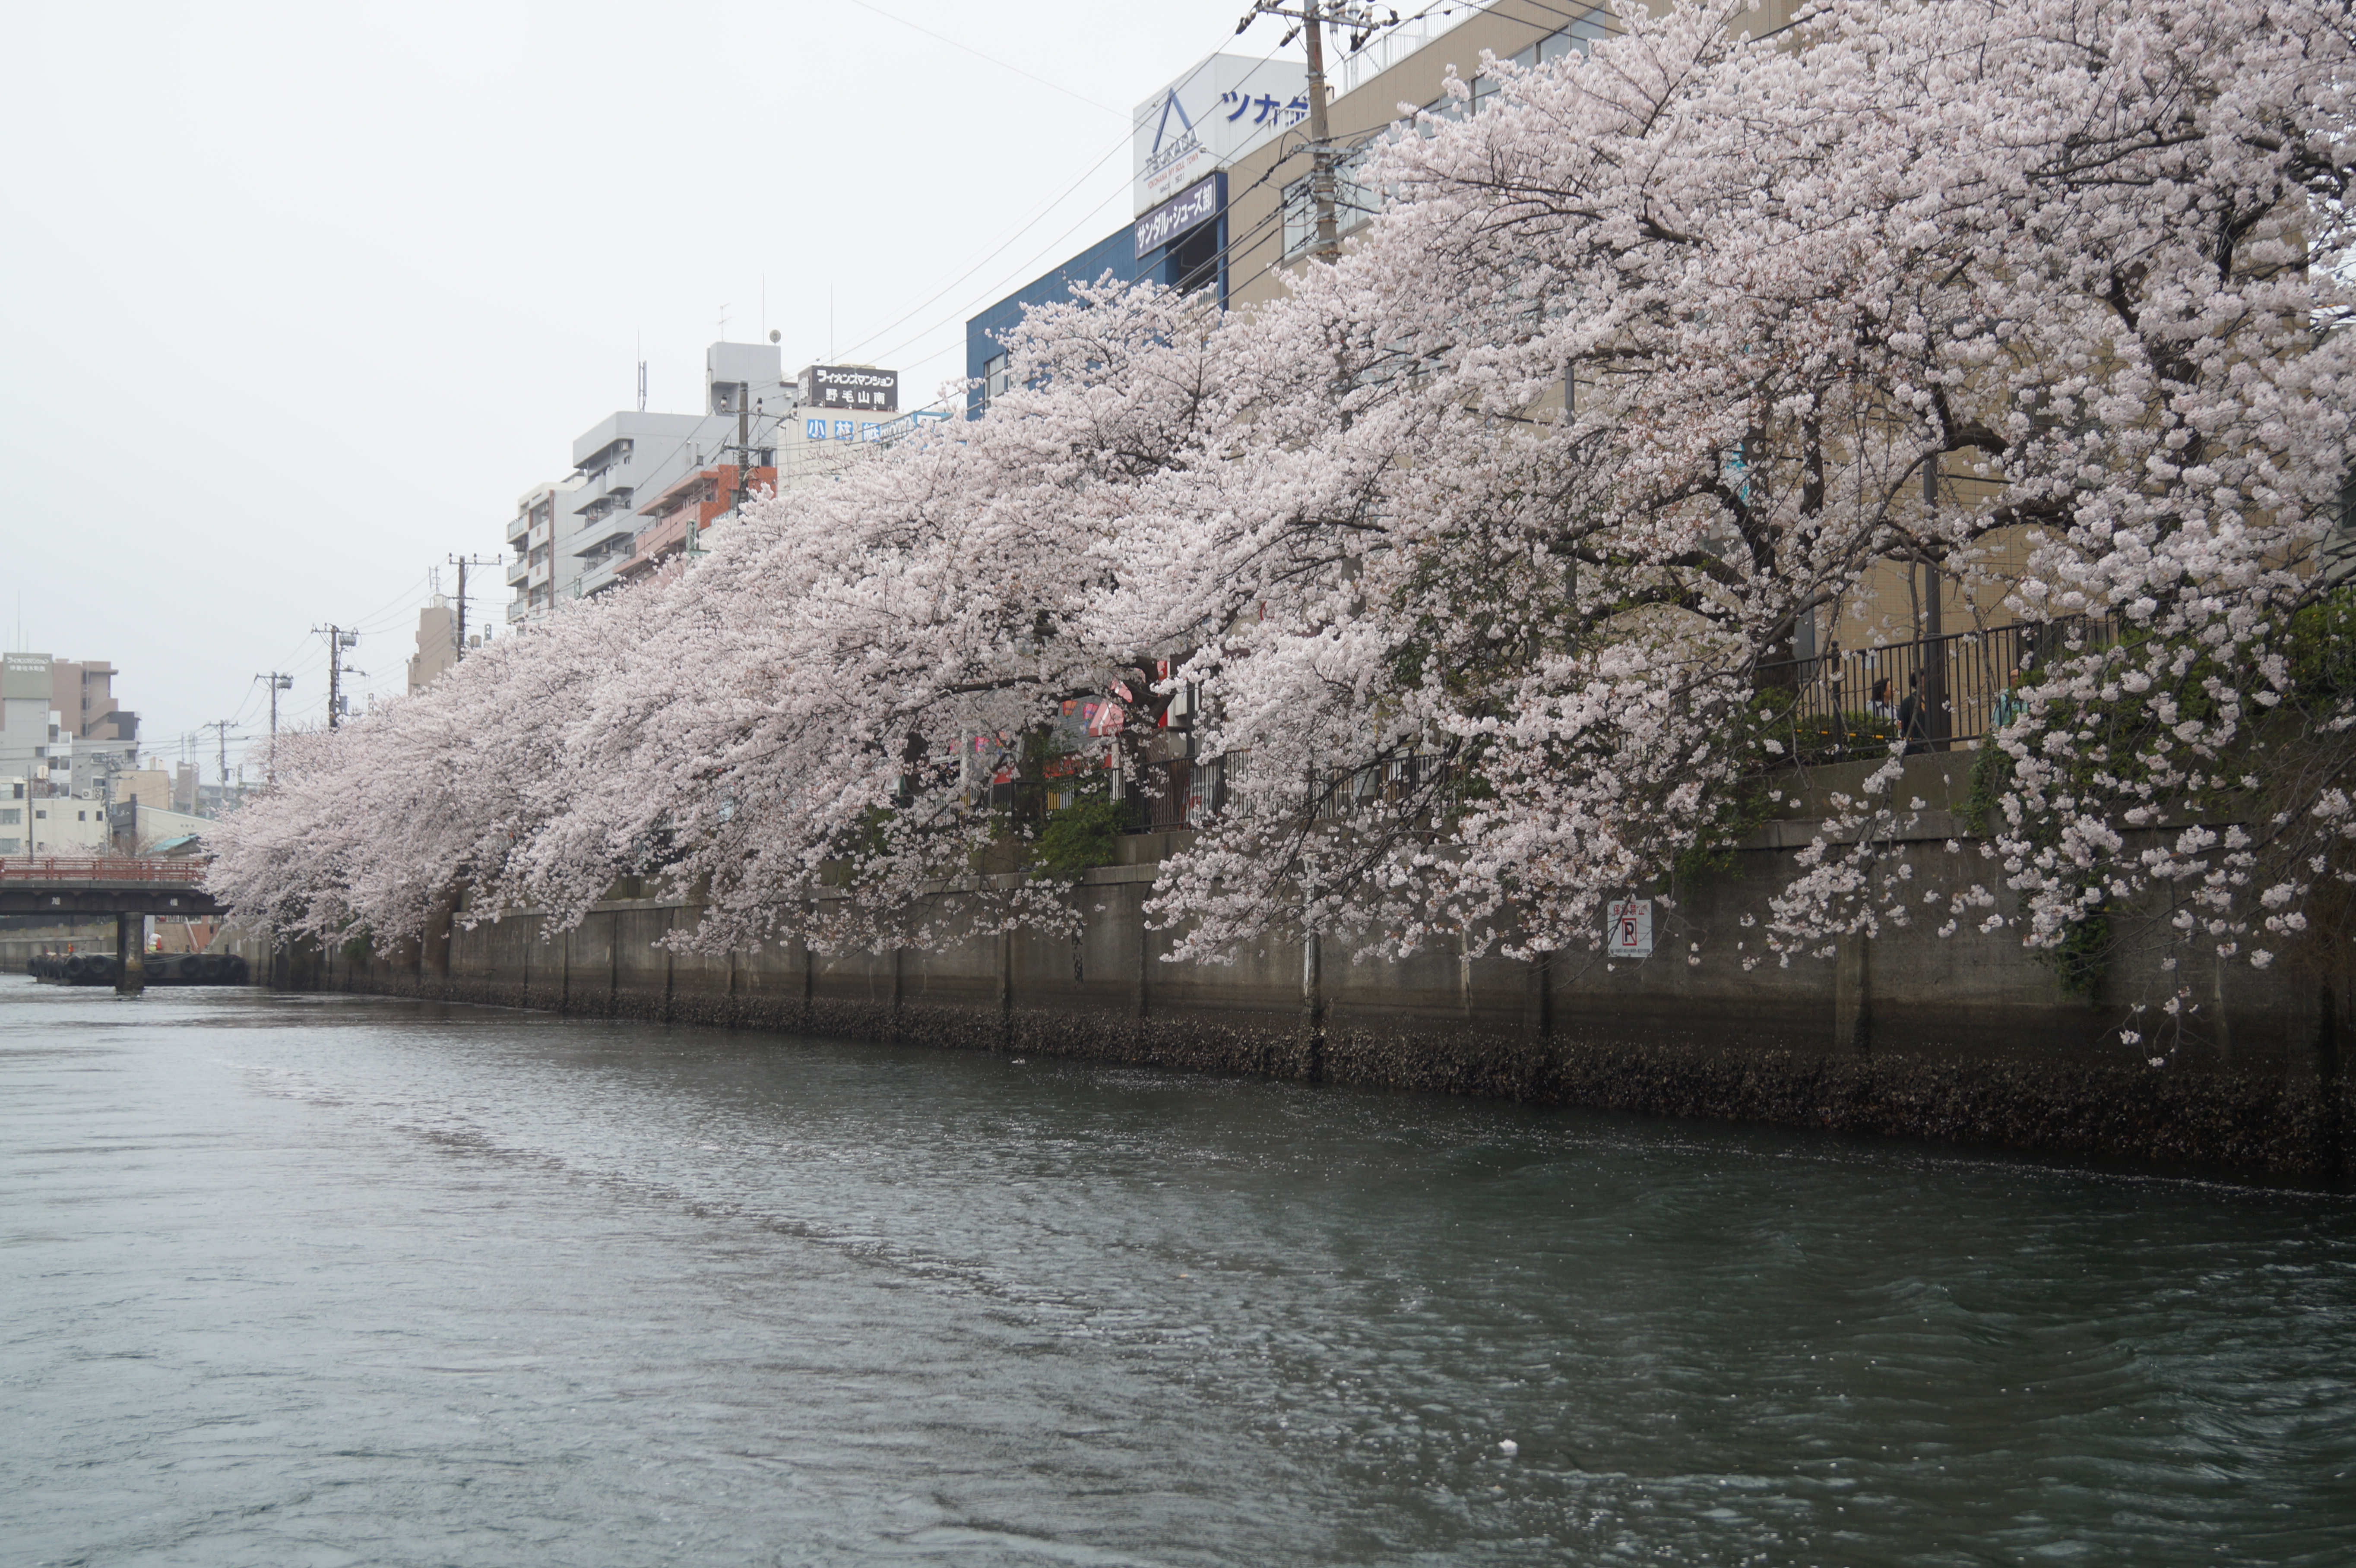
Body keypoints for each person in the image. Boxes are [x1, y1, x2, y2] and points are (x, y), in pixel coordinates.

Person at [1896, 672, 1931, 755]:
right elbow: (1902, 725)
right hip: (1914, 748)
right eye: (1923, 681)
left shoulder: (1932, 700)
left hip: (1931, 745)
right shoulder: (1909, 702)